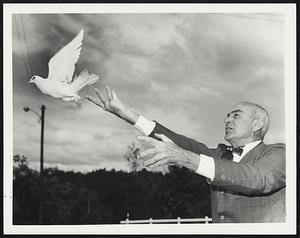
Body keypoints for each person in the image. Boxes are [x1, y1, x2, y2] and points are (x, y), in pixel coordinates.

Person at [85, 86, 286, 223]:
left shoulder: (278, 154)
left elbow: (259, 179)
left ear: (257, 124)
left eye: (236, 115)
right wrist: (127, 115)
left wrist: (186, 158)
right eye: (226, 116)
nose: (227, 120)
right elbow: (179, 141)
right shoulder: (219, 155)